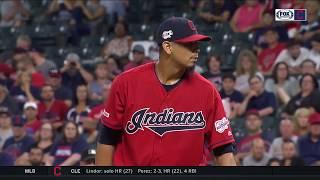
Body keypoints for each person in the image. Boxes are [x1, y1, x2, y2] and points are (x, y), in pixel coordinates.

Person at [96, 17, 237, 166]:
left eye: (196, 44)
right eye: (189, 44)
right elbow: (107, 140)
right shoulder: (125, 83)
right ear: (168, 47)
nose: (196, 49)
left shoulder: (207, 91)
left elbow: (223, 150)